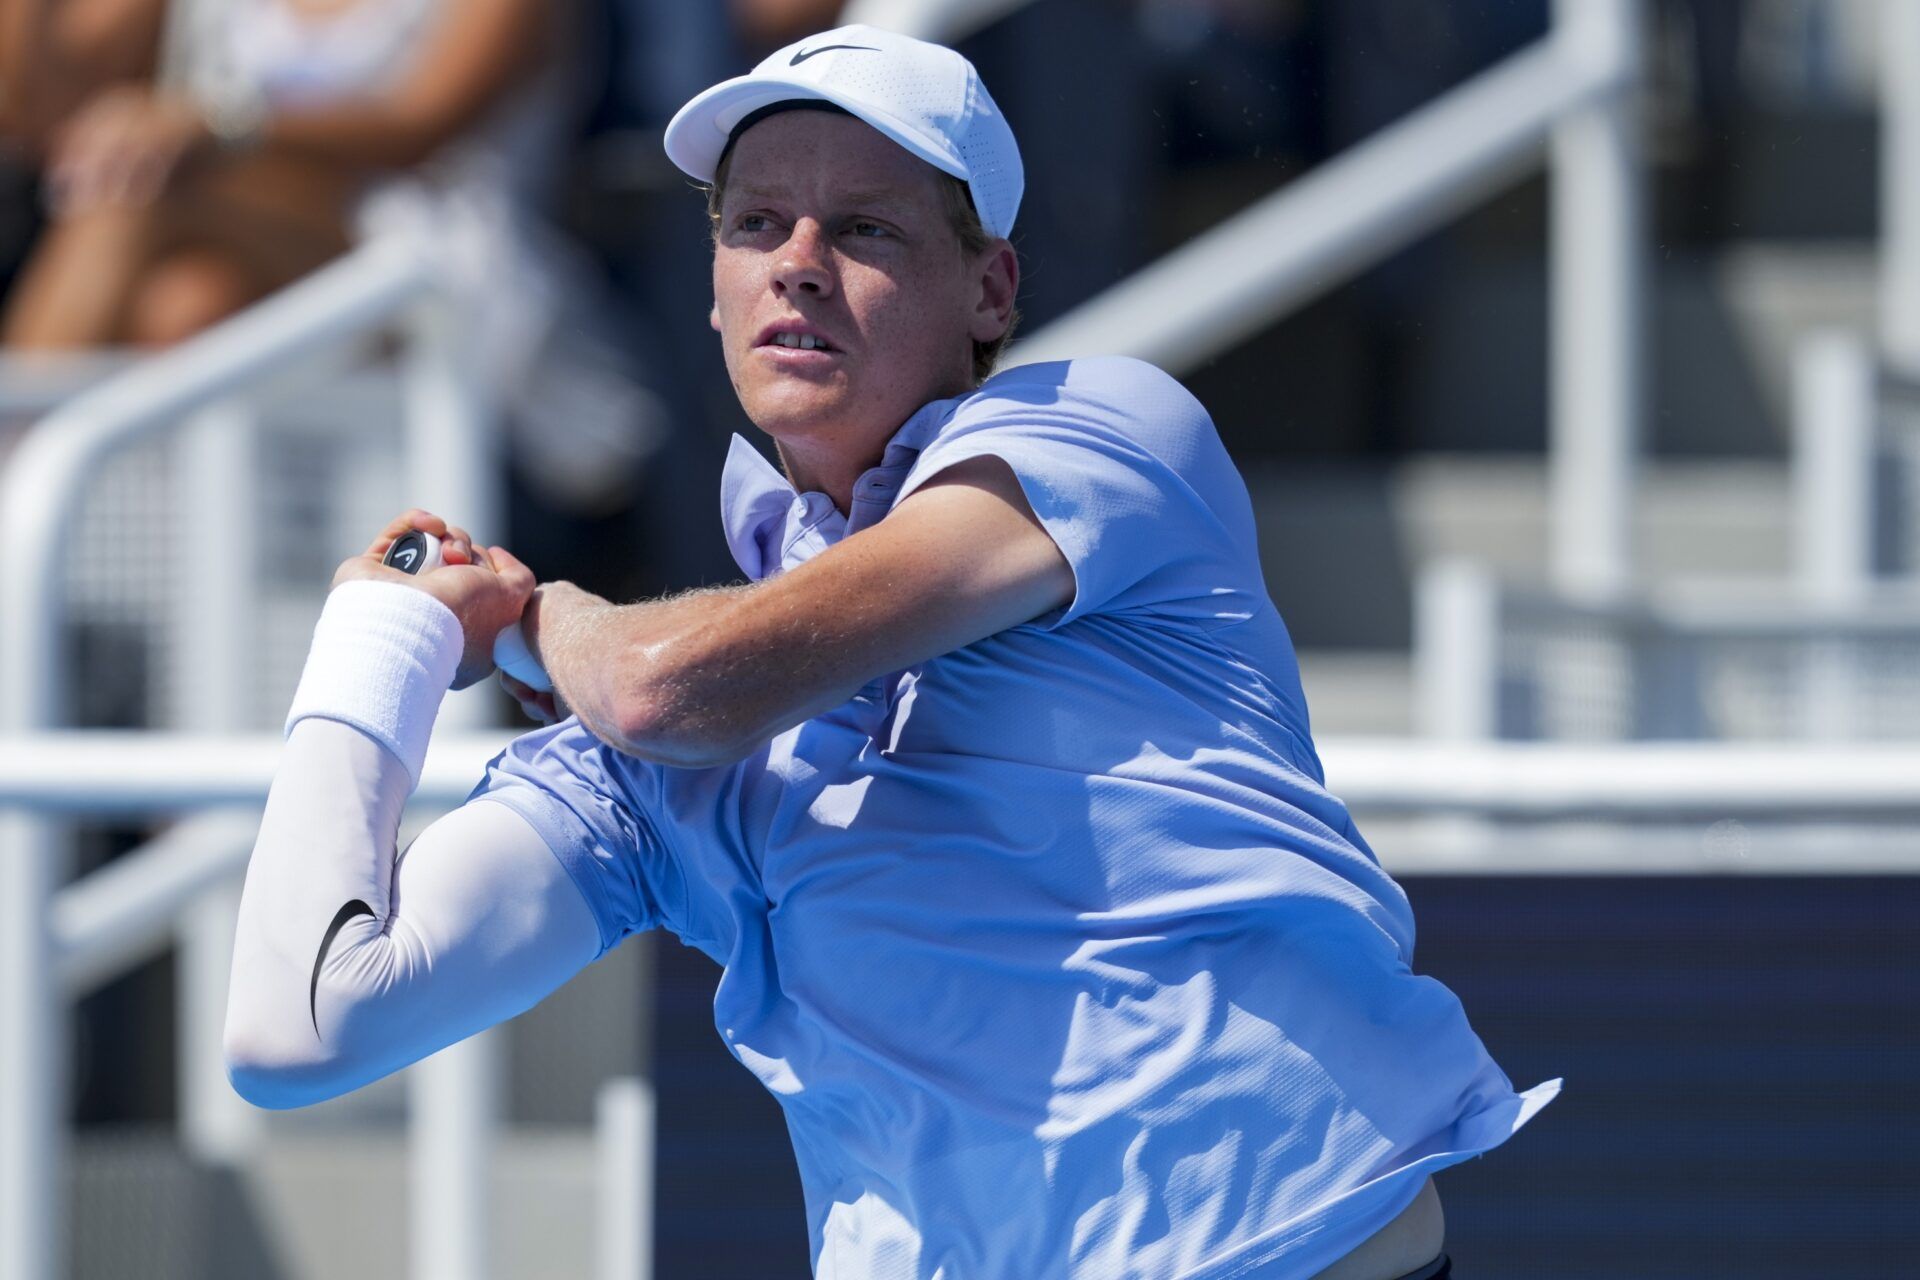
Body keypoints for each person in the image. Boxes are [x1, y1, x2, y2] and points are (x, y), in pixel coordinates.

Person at [223, 26, 1559, 1280]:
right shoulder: (659, 761)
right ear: (715, 289)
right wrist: (380, 642)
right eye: (756, 226)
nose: (797, 261)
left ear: (991, 291)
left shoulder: (1107, 427)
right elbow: (300, 1032)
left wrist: (531, 614)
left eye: (860, 229)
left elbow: (664, 685)